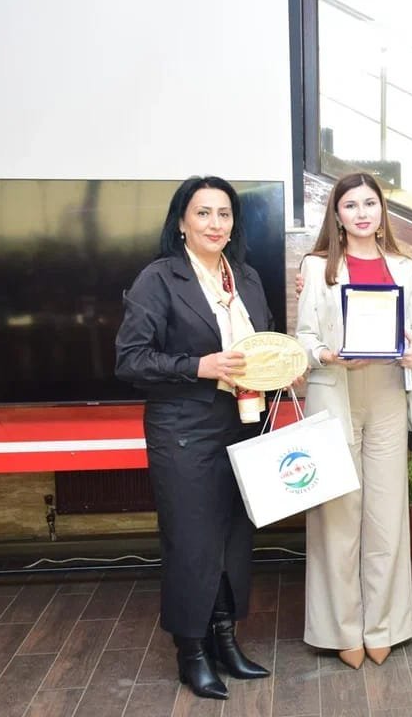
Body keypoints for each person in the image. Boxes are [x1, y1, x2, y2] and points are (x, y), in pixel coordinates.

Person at [116, 176, 294, 700]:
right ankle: (191, 652)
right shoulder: (158, 279)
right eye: (203, 213)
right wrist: (201, 366)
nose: (215, 223)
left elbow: (263, 344)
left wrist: (285, 365)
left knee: (234, 539)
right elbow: (131, 361)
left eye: (224, 214)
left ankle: (226, 641)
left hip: (245, 423)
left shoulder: (246, 277)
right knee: (192, 543)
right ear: (181, 222)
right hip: (184, 429)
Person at [295, 172, 412, 669]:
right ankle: (341, 628)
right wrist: (328, 355)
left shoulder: (402, 266)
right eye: (350, 205)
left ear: (381, 210)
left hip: (389, 393)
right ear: (337, 214)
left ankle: (385, 625)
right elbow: (304, 338)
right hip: (336, 392)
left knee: (387, 514)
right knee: (336, 513)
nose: (361, 213)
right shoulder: (316, 266)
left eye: (369, 203)